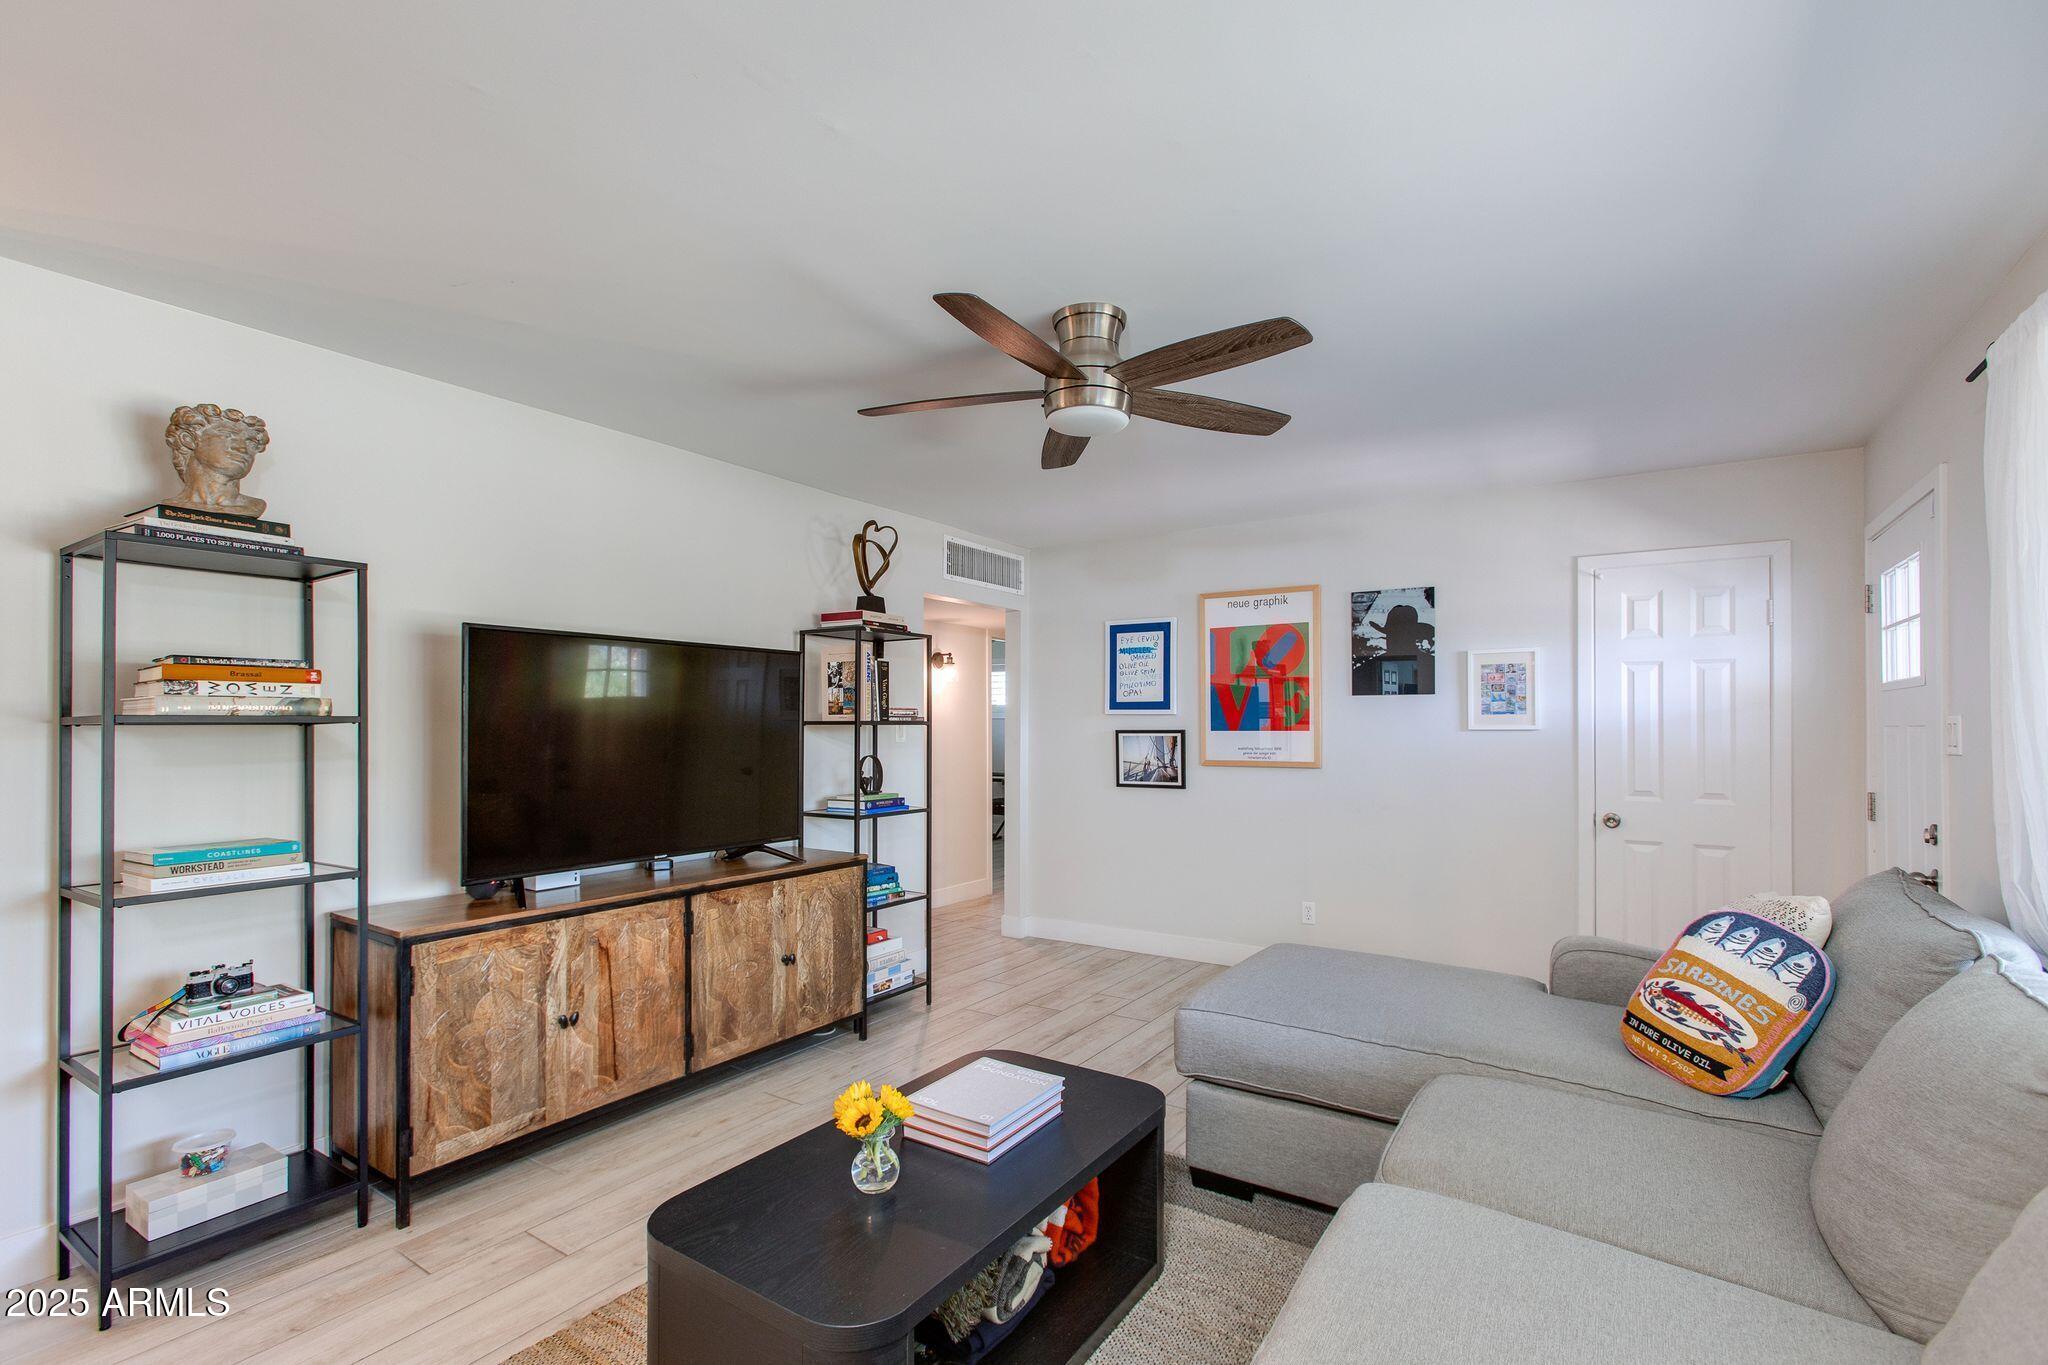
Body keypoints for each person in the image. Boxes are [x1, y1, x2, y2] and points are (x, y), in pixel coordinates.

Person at [164, 403, 270, 515]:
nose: (242, 448)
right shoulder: (171, 508)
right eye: (227, 435)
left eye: (251, 443)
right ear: (188, 439)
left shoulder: (254, 507)